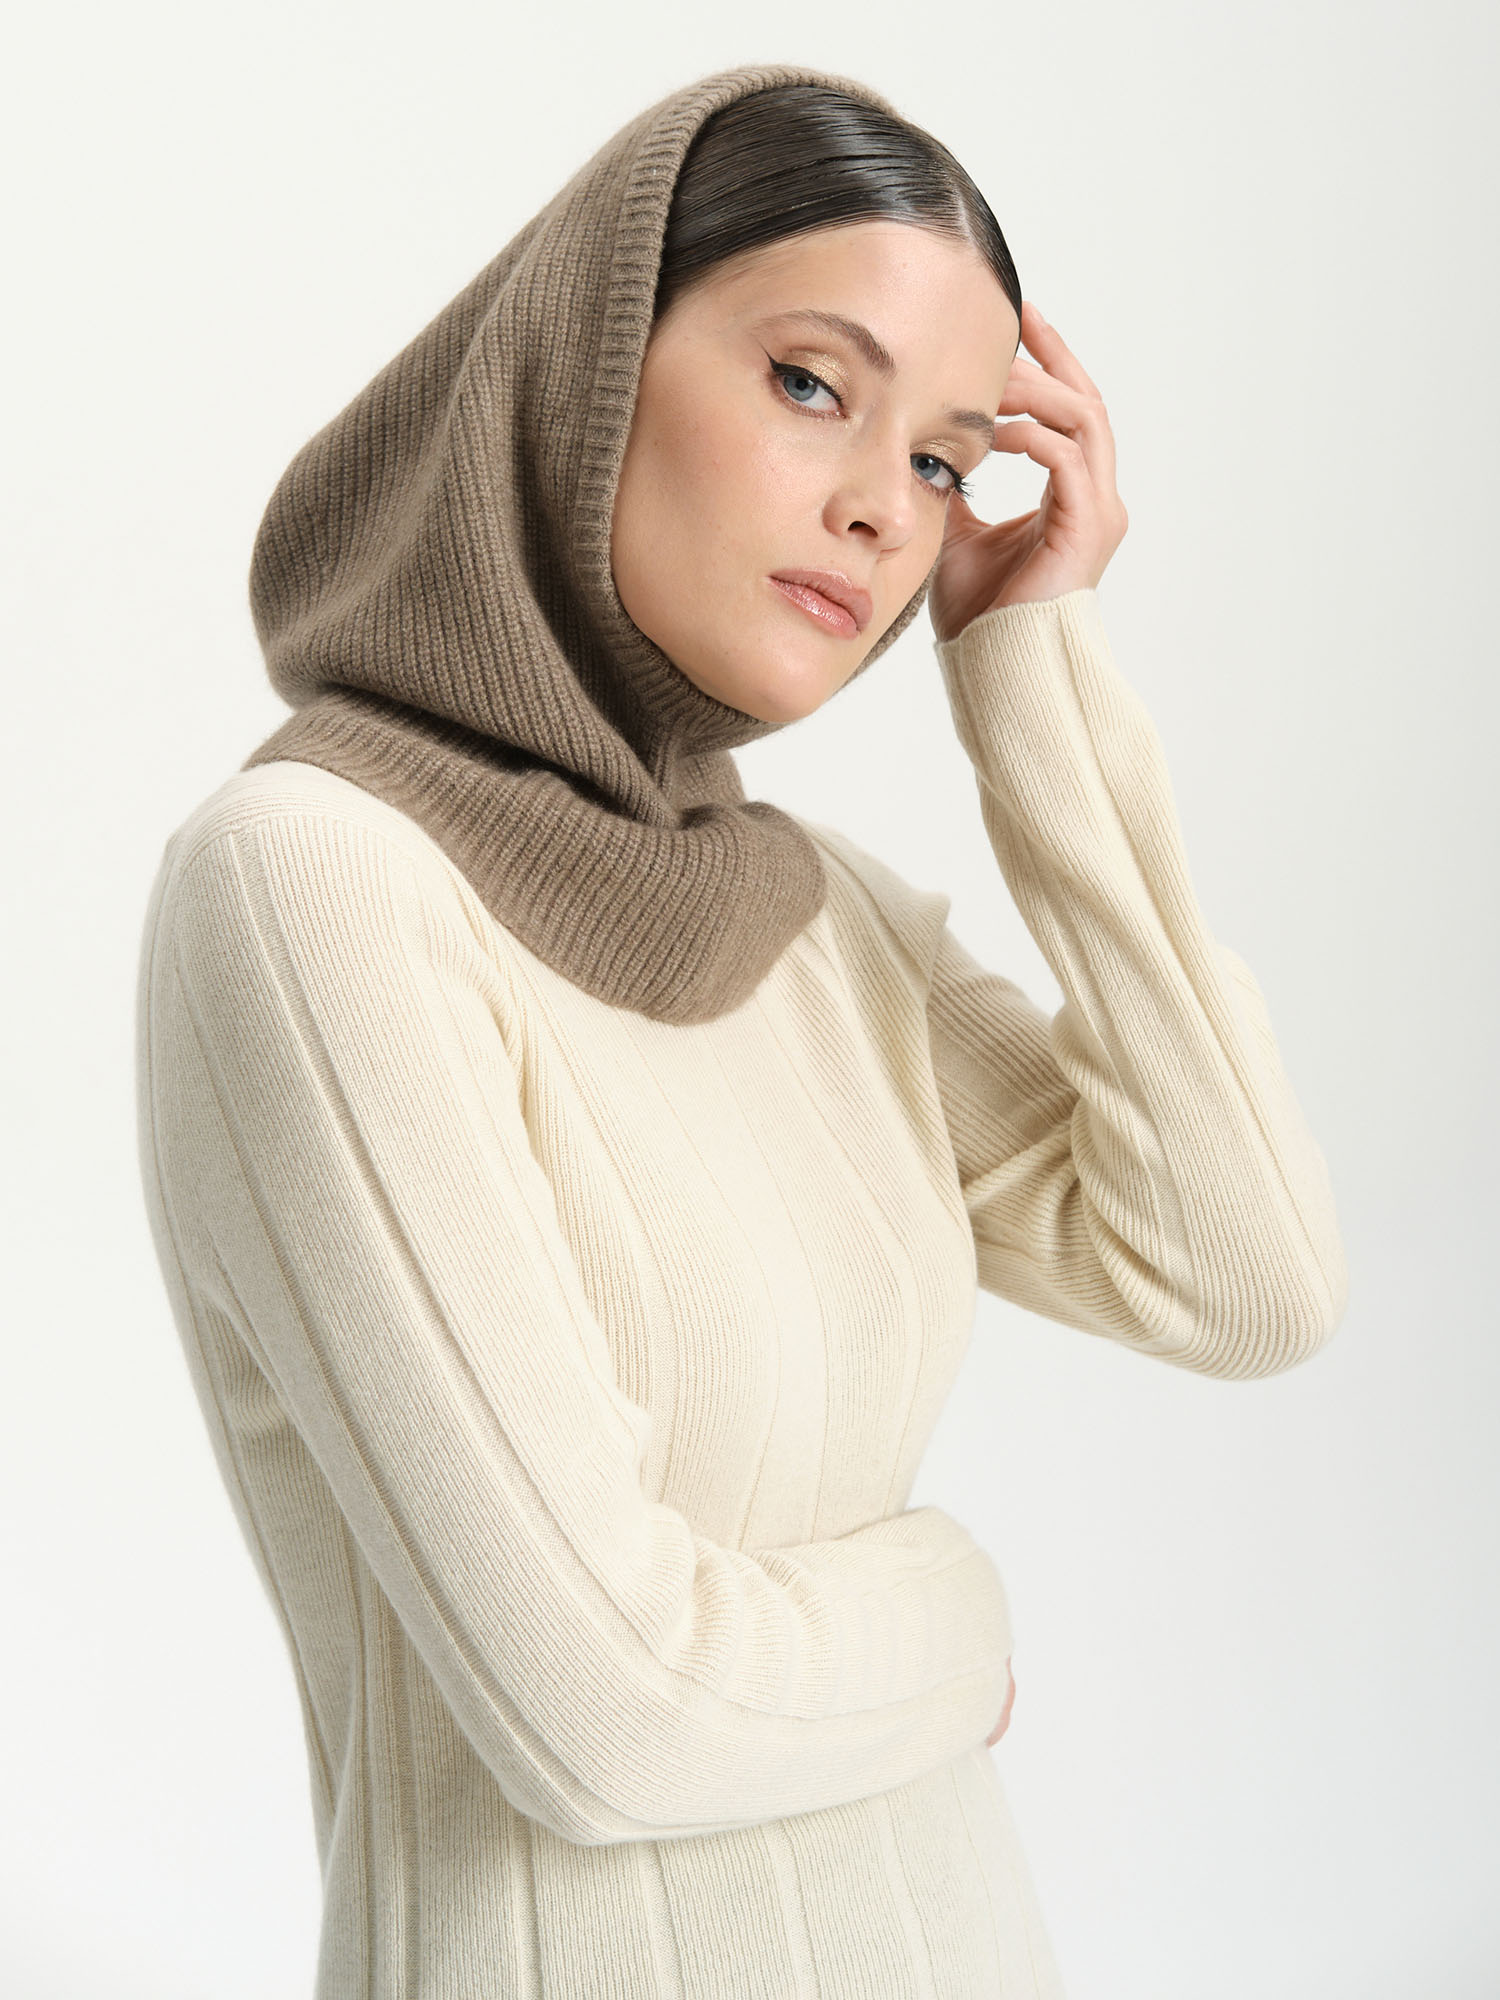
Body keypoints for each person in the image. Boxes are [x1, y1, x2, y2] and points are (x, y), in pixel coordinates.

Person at [133, 61, 1348, 1999]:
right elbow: (611, 1714)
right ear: (590, 358)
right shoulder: (312, 886)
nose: (879, 506)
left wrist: (1032, 672)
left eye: (944, 461)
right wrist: (961, 1615)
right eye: (809, 382)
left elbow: (1246, 1275)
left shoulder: (823, 923)